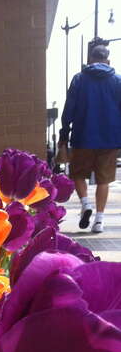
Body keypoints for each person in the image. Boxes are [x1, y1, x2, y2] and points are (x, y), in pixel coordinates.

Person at [59, 44, 121, 233]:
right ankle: (99, 221)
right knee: (104, 180)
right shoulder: (118, 81)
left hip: (83, 136)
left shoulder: (79, 79)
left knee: (78, 174)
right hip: (110, 138)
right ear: (108, 61)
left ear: (90, 60)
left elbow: (69, 109)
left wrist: (64, 133)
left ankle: (86, 204)